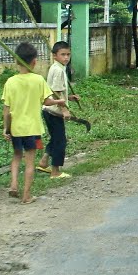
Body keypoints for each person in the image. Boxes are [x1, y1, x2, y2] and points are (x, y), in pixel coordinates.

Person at [2, 42, 65, 204]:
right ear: (34, 62)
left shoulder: (10, 82)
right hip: (32, 129)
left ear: (16, 61)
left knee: (16, 156)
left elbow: (6, 110)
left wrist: (6, 129)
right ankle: (26, 196)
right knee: (30, 162)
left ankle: (14, 184)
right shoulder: (38, 80)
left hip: (15, 128)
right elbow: (47, 101)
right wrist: (61, 101)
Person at [37, 41, 81, 179]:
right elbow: (56, 91)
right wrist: (64, 110)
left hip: (48, 109)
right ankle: (55, 171)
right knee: (61, 141)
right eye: (63, 55)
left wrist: (69, 97)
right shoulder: (58, 70)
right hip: (54, 110)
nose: (66, 58)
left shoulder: (56, 67)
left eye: (68, 54)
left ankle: (44, 162)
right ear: (55, 56)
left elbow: (56, 91)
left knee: (56, 137)